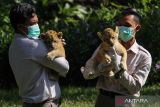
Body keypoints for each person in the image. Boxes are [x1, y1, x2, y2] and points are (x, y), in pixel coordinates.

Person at [82, 8, 152, 107]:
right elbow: (91, 65)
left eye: (127, 25)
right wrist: (93, 70)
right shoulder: (105, 45)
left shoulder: (144, 56)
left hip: (124, 101)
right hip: (103, 98)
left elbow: (135, 87)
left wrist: (118, 67)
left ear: (137, 28)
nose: (122, 29)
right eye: (119, 25)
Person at [9, 3, 69, 107]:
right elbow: (64, 67)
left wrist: (53, 44)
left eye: (37, 22)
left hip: (28, 102)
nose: (36, 26)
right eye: (33, 24)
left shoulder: (15, 44)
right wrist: (58, 47)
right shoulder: (33, 45)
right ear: (20, 26)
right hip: (44, 103)